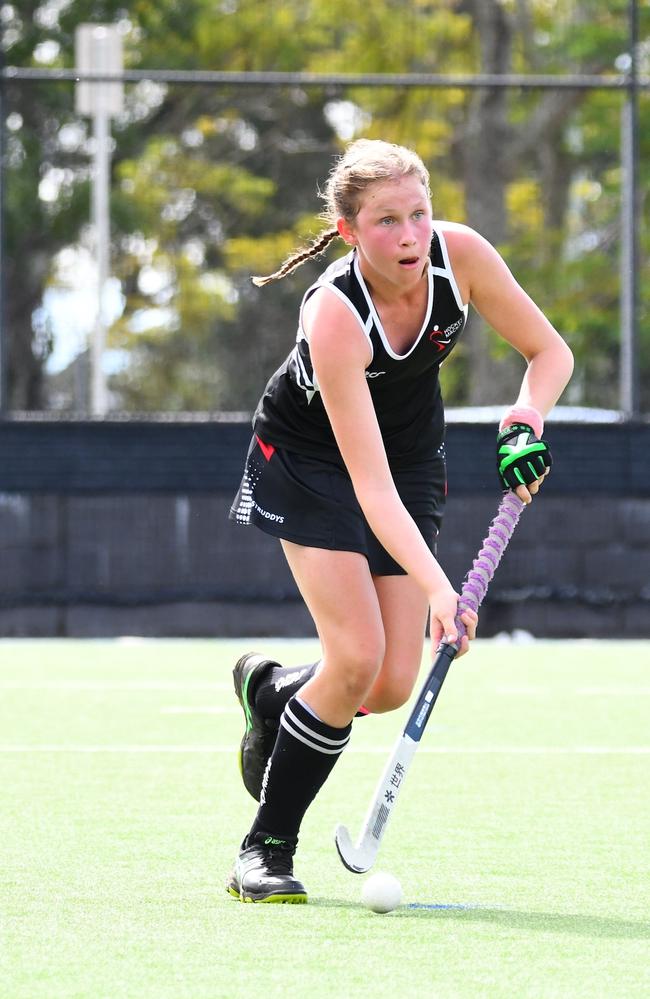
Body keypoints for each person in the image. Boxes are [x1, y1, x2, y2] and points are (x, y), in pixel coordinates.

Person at [226, 139, 573, 904]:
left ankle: (275, 693)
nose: (411, 234)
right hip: (314, 460)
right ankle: (265, 847)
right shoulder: (335, 314)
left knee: (385, 683)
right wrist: (443, 590)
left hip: (411, 456)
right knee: (353, 656)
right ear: (349, 232)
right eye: (387, 221)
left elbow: (549, 352)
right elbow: (368, 489)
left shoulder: (462, 257)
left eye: (418, 213)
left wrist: (526, 417)